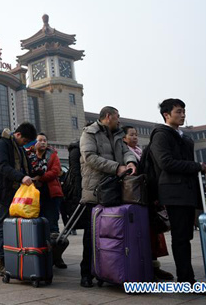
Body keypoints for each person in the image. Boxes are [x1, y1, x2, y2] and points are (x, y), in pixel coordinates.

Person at [150, 98, 206, 285]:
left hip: (189, 191)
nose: (182, 115)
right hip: (174, 192)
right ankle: (186, 280)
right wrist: (197, 166)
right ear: (166, 115)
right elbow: (165, 162)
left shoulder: (183, 136)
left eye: (184, 111)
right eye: (178, 112)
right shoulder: (161, 135)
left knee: (186, 236)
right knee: (181, 237)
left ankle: (189, 277)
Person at [79, 106, 138, 287]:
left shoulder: (118, 134)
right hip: (96, 190)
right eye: (117, 117)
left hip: (116, 189)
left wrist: (130, 161)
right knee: (91, 235)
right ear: (107, 116)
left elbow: (126, 150)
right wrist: (116, 167)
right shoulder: (89, 133)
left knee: (114, 234)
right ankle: (86, 273)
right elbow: (90, 157)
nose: (119, 120)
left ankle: (111, 270)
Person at [122, 125, 174, 281]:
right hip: (135, 198)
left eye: (136, 134)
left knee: (153, 234)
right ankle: (144, 268)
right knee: (140, 233)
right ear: (123, 138)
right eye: (131, 135)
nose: (135, 137)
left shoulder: (140, 151)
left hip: (148, 197)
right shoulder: (124, 154)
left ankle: (154, 267)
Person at [0, 122, 37, 276]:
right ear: (18, 135)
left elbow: (25, 167)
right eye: (25, 141)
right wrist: (21, 177)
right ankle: (1, 260)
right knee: (1, 225)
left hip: (17, 193)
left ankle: (16, 257)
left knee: (16, 226)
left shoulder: (19, 147)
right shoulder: (1, 143)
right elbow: (2, 166)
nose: (25, 144)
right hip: (2, 192)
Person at [26, 133, 65, 268]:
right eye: (40, 140)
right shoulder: (28, 155)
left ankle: (57, 256)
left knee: (53, 226)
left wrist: (39, 178)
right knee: (37, 226)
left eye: (44, 140)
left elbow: (55, 171)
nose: (42, 143)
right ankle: (40, 257)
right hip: (34, 195)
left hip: (51, 194)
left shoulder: (52, 155)